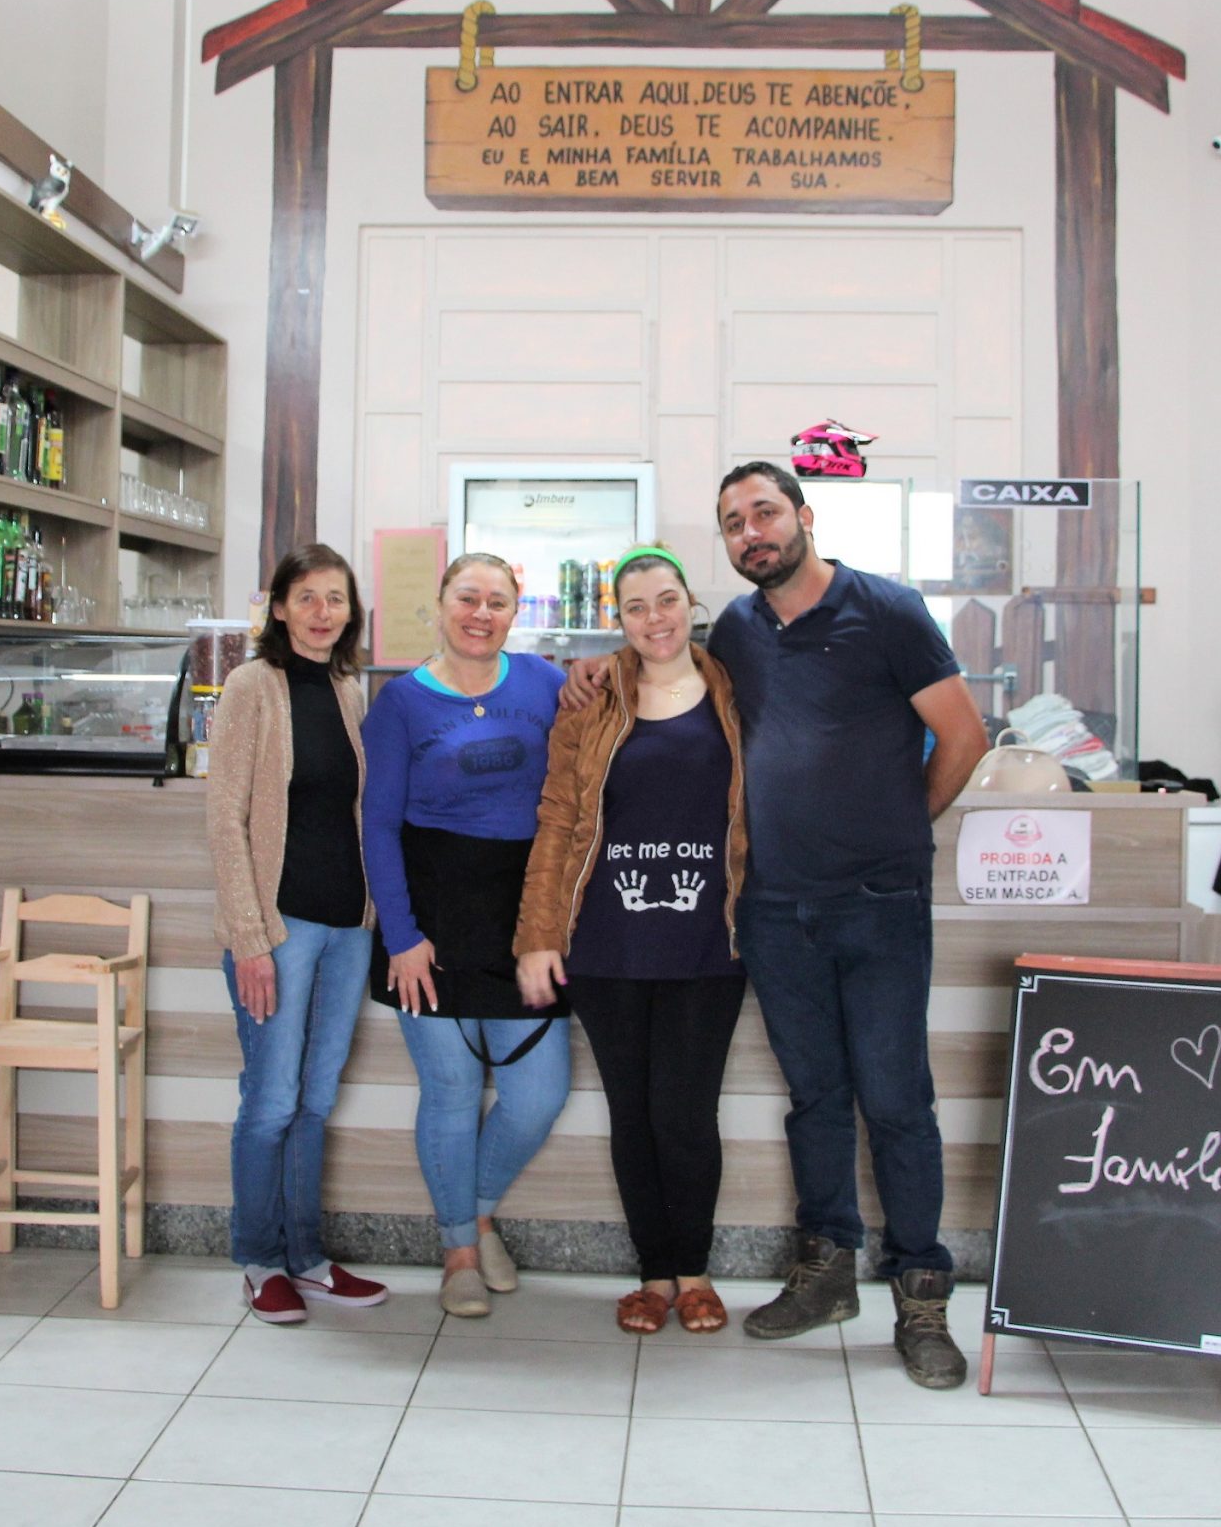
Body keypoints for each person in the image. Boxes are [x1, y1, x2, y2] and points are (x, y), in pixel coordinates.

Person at [560, 464, 989, 1387]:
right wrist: (595, 663)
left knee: (897, 1100)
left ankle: (921, 1297)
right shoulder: (739, 634)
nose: (751, 530)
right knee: (818, 1099)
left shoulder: (888, 609)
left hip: (878, 905)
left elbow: (964, 735)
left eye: (764, 512)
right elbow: (658, 664)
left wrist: (899, 832)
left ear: (803, 515)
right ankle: (827, 1270)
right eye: (732, 522)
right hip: (771, 909)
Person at [515, 546, 748, 1336]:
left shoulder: (733, 688)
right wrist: (537, 936)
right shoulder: (592, 696)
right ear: (619, 618)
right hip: (607, 943)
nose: (656, 617)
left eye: (668, 599)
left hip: (706, 942)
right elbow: (557, 820)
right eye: (638, 605)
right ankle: (653, 1272)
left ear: (691, 603)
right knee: (633, 1113)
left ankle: (696, 1270)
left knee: (686, 1113)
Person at [361, 553, 573, 1318]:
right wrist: (401, 937)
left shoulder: (547, 685)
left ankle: (478, 1210)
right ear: (440, 604)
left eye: (497, 601)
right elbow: (378, 824)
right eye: (467, 597)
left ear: (515, 612)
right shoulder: (400, 704)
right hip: (434, 918)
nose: (480, 613)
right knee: (450, 1090)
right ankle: (458, 1249)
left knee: (539, 1092)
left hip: (529, 920)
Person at [205, 544, 390, 1324]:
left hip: (347, 925)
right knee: (271, 1101)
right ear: (278, 606)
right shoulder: (252, 686)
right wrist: (250, 936)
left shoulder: (349, 689)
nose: (323, 611)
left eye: (336, 598)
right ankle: (258, 1256)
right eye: (307, 597)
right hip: (278, 927)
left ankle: (307, 1256)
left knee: (316, 1100)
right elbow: (225, 818)